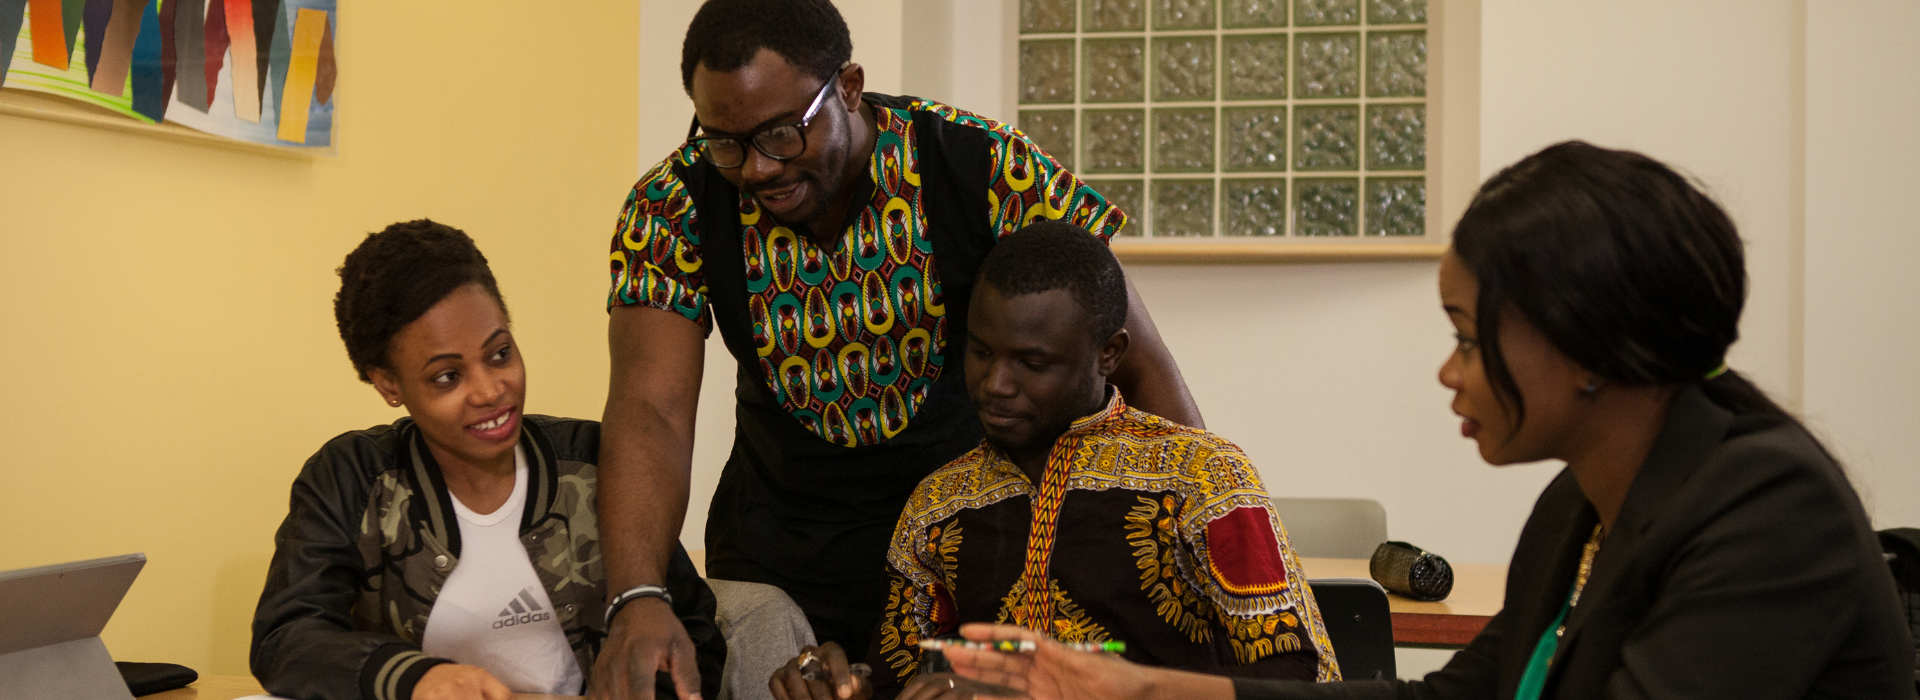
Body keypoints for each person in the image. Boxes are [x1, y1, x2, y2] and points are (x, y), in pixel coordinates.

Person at [932, 142, 1920, 699]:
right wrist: (1140, 691)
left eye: (1469, 336)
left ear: (1585, 345)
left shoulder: (1766, 507)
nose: (1450, 372)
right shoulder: (1578, 507)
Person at [595, 1, 1202, 697]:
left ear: (849, 87)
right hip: (784, 563)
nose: (757, 169)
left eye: (782, 134)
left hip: (976, 550)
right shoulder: (673, 204)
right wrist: (637, 595)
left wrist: (1209, 536)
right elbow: (651, 408)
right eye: (725, 142)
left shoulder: (982, 166)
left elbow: (1138, 361)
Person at [765, 222, 1339, 700]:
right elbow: (902, 676)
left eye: (1032, 363)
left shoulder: (1201, 476)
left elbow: (1303, 677)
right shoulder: (939, 503)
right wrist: (846, 684)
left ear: (1108, 354)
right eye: (981, 352)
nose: (995, 384)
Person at [251, 221, 726, 700]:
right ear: (388, 384)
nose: (490, 391)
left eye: (500, 354)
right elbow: (287, 637)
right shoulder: (351, 477)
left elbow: (692, 633)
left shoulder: (594, 463)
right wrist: (413, 677)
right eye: (447, 377)